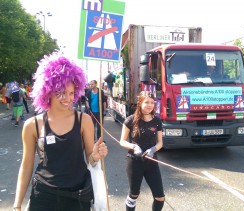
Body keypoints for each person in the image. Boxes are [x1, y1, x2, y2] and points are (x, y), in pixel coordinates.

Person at [13, 53, 108, 211]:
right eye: (61, 93)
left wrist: (96, 156)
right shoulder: (32, 125)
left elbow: (91, 159)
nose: (68, 98)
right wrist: (17, 205)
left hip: (78, 196)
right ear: (48, 90)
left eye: (71, 93)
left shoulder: (83, 120)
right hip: (43, 196)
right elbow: (26, 165)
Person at [120, 91, 165, 211]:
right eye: (146, 102)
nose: (150, 105)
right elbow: (122, 141)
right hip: (134, 162)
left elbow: (160, 143)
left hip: (152, 162)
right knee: (134, 195)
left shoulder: (157, 121)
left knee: (160, 197)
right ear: (140, 103)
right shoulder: (130, 120)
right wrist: (134, 147)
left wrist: (153, 149)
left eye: (152, 102)